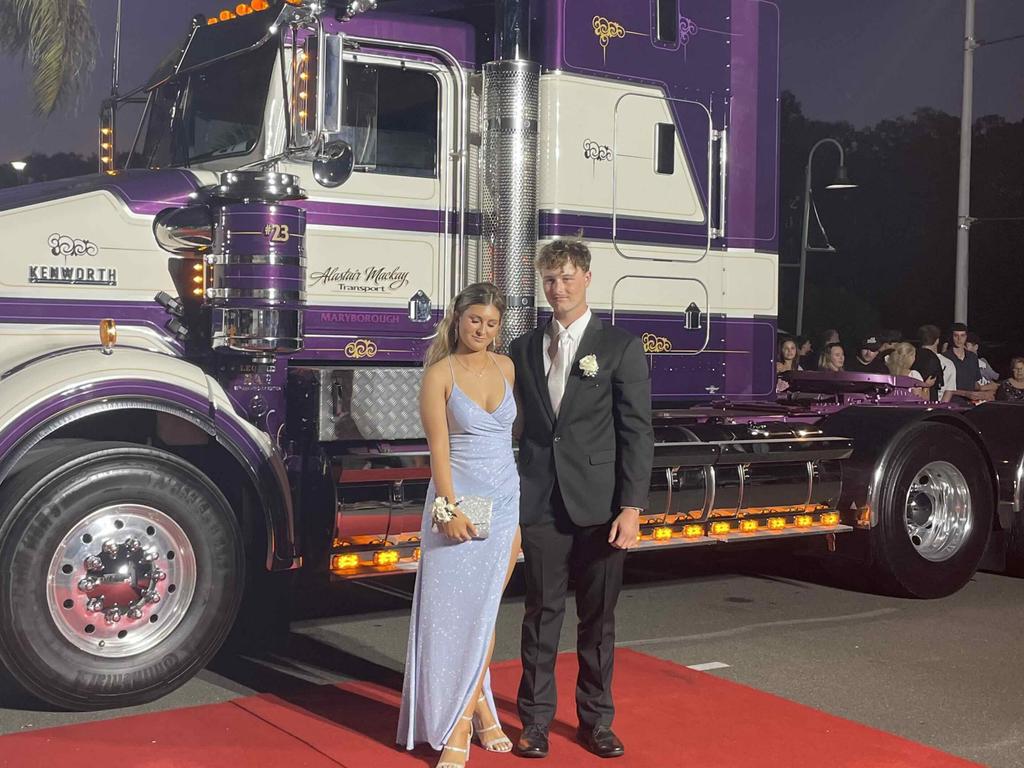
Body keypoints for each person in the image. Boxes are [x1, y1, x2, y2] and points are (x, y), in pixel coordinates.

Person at [509, 240, 654, 760]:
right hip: (542, 501)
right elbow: (519, 427)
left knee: (598, 621)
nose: (558, 288)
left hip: (602, 507)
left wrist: (632, 508)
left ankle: (596, 721)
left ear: (588, 277)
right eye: (549, 278)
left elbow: (637, 432)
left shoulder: (619, 347)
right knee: (540, 614)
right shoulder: (523, 348)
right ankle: (535, 722)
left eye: (567, 277)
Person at [398, 283, 522, 768]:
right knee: (455, 617)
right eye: (475, 321)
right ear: (457, 317)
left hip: (505, 501)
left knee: (485, 613)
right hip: (459, 501)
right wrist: (448, 511)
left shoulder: (507, 367)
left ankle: (473, 715)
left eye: (491, 324)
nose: (482, 331)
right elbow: (439, 450)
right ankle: (467, 723)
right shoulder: (439, 374)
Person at [913, 324, 946, 401]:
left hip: (911, 397)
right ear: (937, 341)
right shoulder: (933, 359)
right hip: (929, 399)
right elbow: (938, 382)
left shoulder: (912, 355)